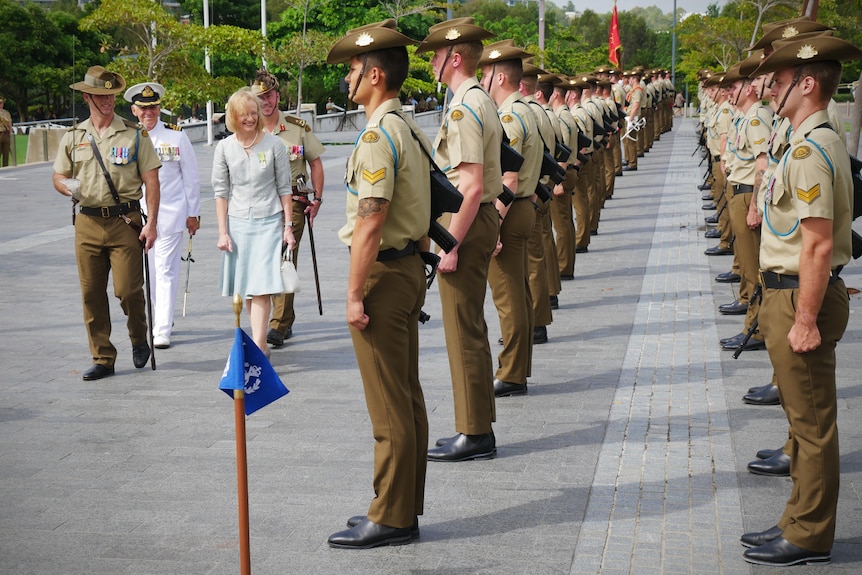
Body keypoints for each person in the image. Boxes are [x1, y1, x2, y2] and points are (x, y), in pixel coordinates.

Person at [739, 34, 862, 567]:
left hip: (800, 298)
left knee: (811, 428)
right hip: (791, 293)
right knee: (802, 417)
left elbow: (814, 244)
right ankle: (797, 517)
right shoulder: (807, 139)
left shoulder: (811, 149)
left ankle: (810, 533)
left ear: (807, 84)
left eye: (780, 81)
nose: (770, 90)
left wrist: (807, 317)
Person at [323, 19, 431, 549]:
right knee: (406, 395)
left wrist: (352, 293)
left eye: (352, 71)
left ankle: (391, 515)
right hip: (409, 268)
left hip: (385, 276)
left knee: (389, 403)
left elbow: (370, 220)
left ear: (373, 74)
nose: (348, 79)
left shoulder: (375, 136)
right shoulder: (407, 128)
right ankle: (401, 505)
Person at [416, 17, 501, 463]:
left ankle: (474, 431)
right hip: (476, 220)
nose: (431, 62)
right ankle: (478, 425)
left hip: (464, 223)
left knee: (463, 330)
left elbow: (469, 185)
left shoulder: (464, 106)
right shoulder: (477, 99)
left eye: (434, 54)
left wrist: (451, 244)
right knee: (471, 326)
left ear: (453, 57)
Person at [51, 66, 161, 380]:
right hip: (86, 222)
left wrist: (151, 223)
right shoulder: (74, 136)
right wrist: (66, 186)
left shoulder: (134, 133)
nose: (108, 101)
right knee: (91, 293)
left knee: (127, 290)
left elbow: (151, 181)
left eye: (111, 95)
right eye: (101, 96)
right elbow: (59, 175)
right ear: (88, 96)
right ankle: (103, 357)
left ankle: (139, 337)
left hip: (124, 220)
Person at [479, 41, 541, 397]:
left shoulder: (509, 115)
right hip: (523, 206)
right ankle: (518, 366)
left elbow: (510, 178)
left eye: (486, 73)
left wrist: (496, 226)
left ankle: (513, 371)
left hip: (510, 210)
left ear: (500, 76)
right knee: (517, 290)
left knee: (508, 295)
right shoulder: (525, 109)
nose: (483, 79)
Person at [212, 88, 295, 353]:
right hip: (238, 224)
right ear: (232, 117)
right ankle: (259, 339)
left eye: (252, 113)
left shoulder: (274, 145)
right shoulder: (224, 148)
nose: (249, 118)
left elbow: (285, 188)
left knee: (262, 286)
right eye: (243, 114)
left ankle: (259, 344)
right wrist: (222, 232)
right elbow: (221, 192)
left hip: (269, 221)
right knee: (247, 286)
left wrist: (288, 227)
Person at [249, 69, 326, 348]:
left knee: (284, 257)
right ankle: (286, 316)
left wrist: (316, 199)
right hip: (260, 204)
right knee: (264, 261)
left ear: (277, 96)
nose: (264, 102)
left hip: (293, 203)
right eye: (259, 98)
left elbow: (315, 162)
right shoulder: (249, 128)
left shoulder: (297, 127)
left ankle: (278, 325)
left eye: (268, 96)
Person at [125, 82, 201, 349]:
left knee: (166, 271)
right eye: (143, 109)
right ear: (134, 110)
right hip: (136, 218)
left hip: (170, 215)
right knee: (150, 274)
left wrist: (193, 213)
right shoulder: (128, 138)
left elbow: (191, 178)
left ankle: (161, 329)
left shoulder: (176, 137)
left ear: (160, 108)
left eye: (153, 108)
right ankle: (162, 319)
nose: (149, 113)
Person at [0, 97, 12, 167]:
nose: (0, 105)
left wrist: (10, 132)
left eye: (1, 103)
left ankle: (5, 166)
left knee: (6, 152)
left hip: (5, 133)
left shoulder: (6, 113)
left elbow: (9, 123)